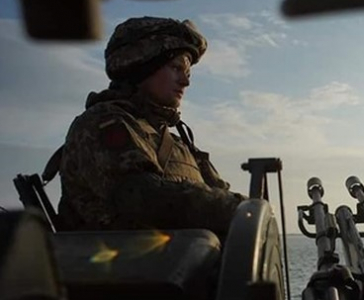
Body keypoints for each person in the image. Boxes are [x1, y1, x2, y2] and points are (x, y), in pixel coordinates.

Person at [56, 16, 246, 237]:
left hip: (182, 259)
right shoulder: (101, 124)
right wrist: (237, 209)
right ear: (142, 67)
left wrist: (249, 209)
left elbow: (220, 193)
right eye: (176, 68)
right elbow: (142, 198)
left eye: (187, 72)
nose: (185, 81)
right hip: (118, 259)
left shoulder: (179, 144)